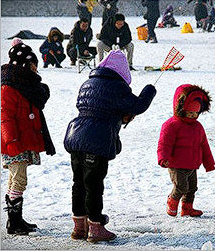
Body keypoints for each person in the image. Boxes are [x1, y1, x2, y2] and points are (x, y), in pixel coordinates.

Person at [64, 50, 156, 243]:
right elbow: (137, 106)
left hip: (76, 136)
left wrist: (117, 115)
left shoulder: (88, 82)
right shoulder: (117, 87)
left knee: (78, 184)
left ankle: (79, 226)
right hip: (95, 141)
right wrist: (149, 90)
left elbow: (96, 107)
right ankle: (96, 227)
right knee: (94, 185)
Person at [1, 43, 55, 235]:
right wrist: (11, 142)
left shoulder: (25, 84)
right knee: (19, 180)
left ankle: (15, 220)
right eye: (33, 64)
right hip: (14, 143)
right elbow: (5, 117)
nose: (36, 67)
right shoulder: (9, 87)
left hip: (22, 140)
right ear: (24, 64)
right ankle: (14, 223)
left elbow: (39, 99)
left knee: (15, 180)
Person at [157, 84, 215, 217]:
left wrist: (209, 163)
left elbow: (204, 146)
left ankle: (187, 208)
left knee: (192, 188)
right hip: (176, 165)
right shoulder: (171, 125)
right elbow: (164, 144)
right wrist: (163, 158)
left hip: (192, 165)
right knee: (181, 187)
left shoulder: (198, 127)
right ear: (181, 109)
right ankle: (172, 201)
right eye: (190, 113)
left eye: (196, 113)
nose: (193, 116)